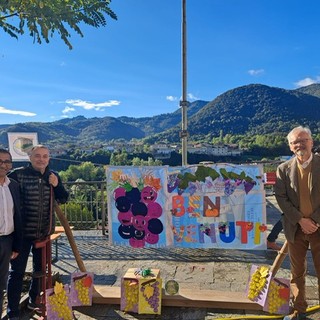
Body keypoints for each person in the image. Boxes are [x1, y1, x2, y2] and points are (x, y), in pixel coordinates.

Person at [6, 145, 69, 320]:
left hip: (43, 233)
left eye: (45, 156)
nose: (41, 159)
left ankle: (34, 299)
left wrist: (56, 186)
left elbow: (63, 198)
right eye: (37, 156)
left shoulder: (53, 175)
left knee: (40, 270)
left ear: (49, 158)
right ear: (30, 157)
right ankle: (13, 312)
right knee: (16, 273)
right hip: (22, 235)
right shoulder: (17, 175)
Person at [275, 126, 320, 320]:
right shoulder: (283, 169)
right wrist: (301, 220)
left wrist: (314, 221)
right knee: (297, 272)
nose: (299, 144)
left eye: (303, 140)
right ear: (290, 146)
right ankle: (299, 309)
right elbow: (281, 197)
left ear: (311, 142)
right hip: (296, 228)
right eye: (295, 142)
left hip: (319, 227)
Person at [0, 149, 22, 314]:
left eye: (7, 161)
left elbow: (17, 216)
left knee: (1, 284)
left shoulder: (13, 185)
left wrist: (15, 245)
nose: (3, 164)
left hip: (7, 241)